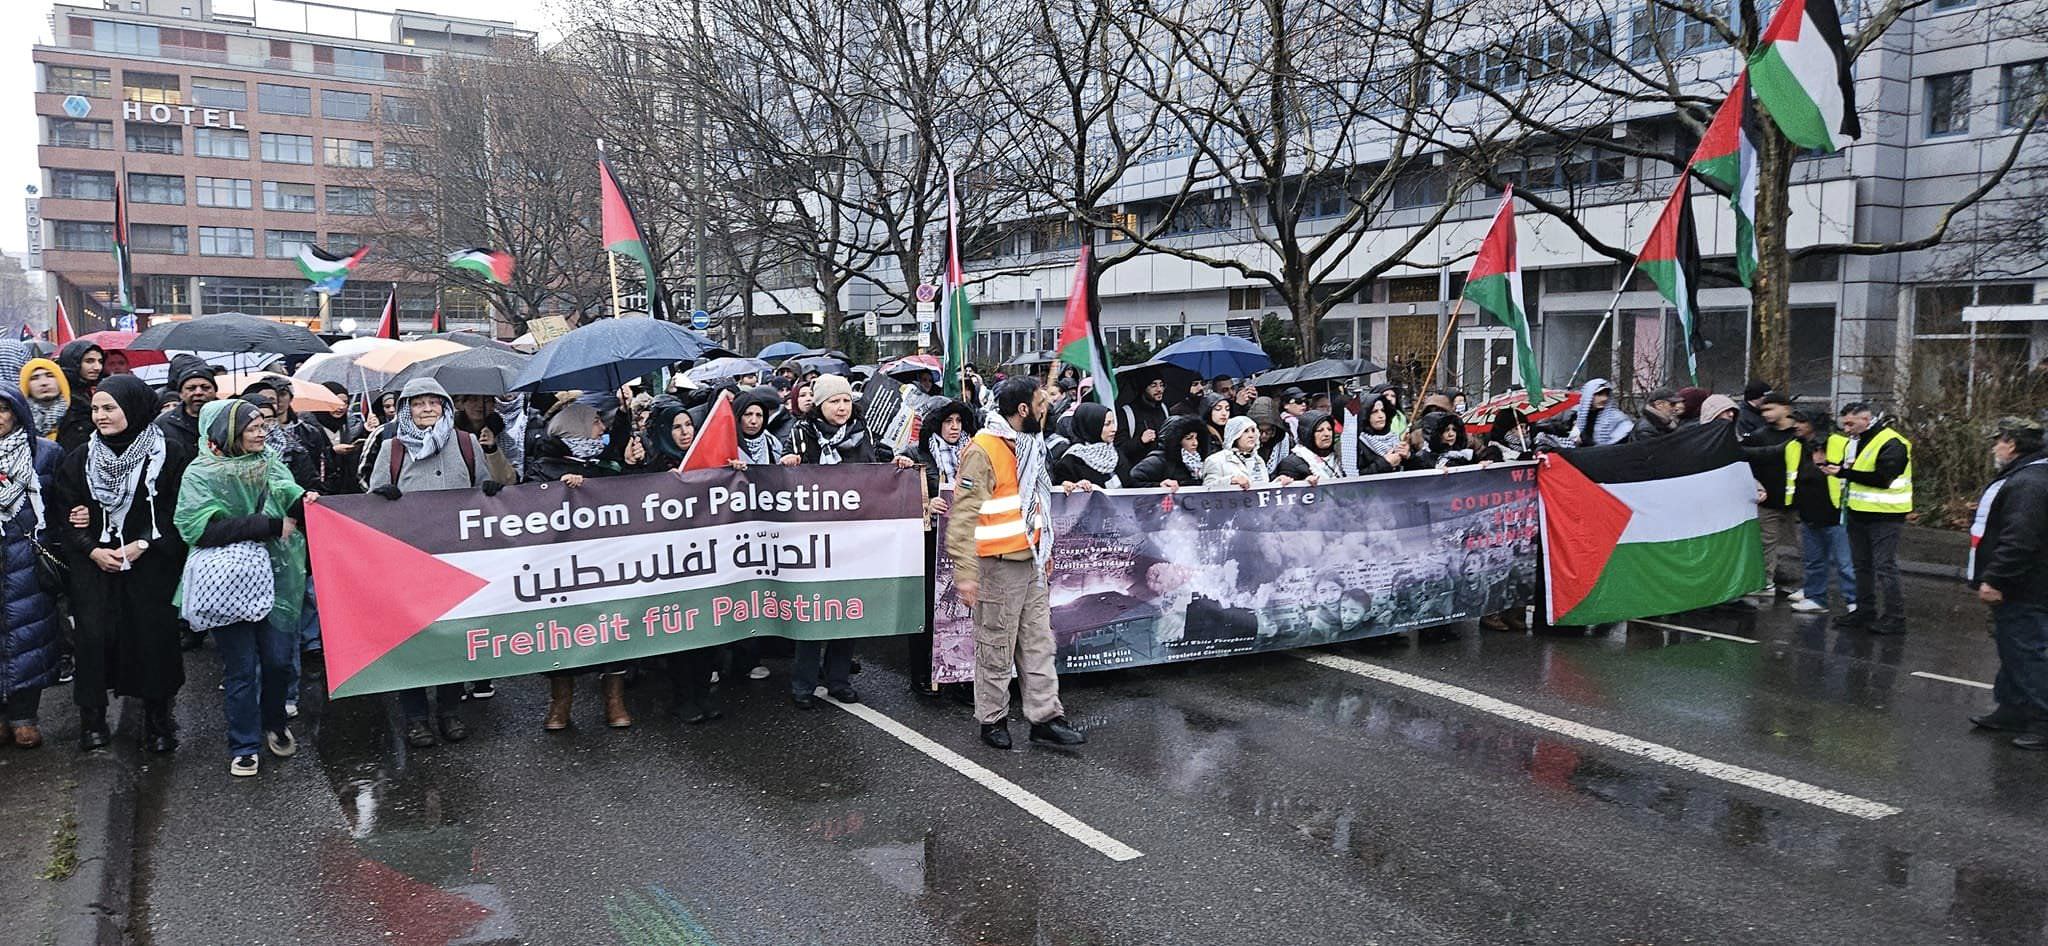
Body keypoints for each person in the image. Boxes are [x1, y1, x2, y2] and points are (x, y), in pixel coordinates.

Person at [49, 376, 191, 752]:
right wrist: (92, 548)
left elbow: (182, 511)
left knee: (152, 639)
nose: (100, 416)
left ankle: (159, 720)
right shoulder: (81, 456)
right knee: (93, 639)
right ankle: (92, 717)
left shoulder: (170, 453)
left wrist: (143, 543)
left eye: (109, 408)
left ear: (134, 407)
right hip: (94, 565)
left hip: (150, 564)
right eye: (96, 408)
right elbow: (64, 510)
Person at [944, 377, 1085, 750]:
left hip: (1032, 562)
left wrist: (1046, 549)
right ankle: (992, 720)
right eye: (1041, 402)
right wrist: (966, 573)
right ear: (1023, 409)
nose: (1046, 408)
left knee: (1039, 644)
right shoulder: (984, 449)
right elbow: (964, 516)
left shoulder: (1031, 445)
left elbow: (1035, 504)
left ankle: (1045, 718)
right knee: (995, 646)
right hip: (997, 566)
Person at [173, 398, 311, 776]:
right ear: (228, 432)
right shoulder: (199, 473)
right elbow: (197, 529)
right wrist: (265, 527)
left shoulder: (269, 461)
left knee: (279, 661)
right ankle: (244, 744)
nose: (261, 432)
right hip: (227, 584)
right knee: (241, 668)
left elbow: (288, 493)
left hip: (279, 578)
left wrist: (305, 500)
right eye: (251, 428)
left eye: (262, 426)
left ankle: (275, 723)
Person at [366, 379, 498, 745]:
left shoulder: (467, 444)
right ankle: (415, 718)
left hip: (456, 559)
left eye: (433, 403)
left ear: (444, 407)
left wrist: (490, 490)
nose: (427, 410)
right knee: (412, 639)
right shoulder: (391, 447)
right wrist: (382, 496)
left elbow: (486, 493)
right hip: (408, 561)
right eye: (418, 404)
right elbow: (371, 503)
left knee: (451, 638)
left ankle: (450, 711)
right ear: (407, 409)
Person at [784, 374, 914, 707]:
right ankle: (804, 683)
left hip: (854, 536)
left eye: (845, 401)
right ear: (821, 405)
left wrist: (895, 464)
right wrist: (789, 465)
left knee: (848, 609)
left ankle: (838, 678)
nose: (842, 407)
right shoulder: (802, 432)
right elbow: (782, 481)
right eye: (834, 402)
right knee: (813, 610)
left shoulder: (863, 432)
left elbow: (875, 469)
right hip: (812, 537)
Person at [1969, 417, 2048, 746]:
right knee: (2012, 646)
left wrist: (1996, 578)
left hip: (2023, 585)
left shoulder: (2029, 482)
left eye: (1998, 441)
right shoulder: (2027, 476)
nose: (1994, 447)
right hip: (2025, 582)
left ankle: (2043, 718)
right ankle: (2012, 707)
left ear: (2012, 445)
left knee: (2027, 650)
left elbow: (2020, 539)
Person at [0, 388, 63, 747]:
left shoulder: (44, 453)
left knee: (28, 636)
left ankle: (24, 716)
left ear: (17, 413)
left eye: (3, 410)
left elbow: (60, 504)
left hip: (28, 559)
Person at [1821, 402, 1911, 634]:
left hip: (1886, 514)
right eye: (1844, 424)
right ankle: (1864, 610)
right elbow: (1854, 470)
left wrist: (1842, 472)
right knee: (1861, 565)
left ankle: (1895, 617)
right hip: (1858, 511)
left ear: (1866, 419)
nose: (1847, 429)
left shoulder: (1892, 442)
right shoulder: (1855, 441)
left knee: (1884, 566)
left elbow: (1883, 478)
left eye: (1851, 423)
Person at [1788, 410, 1855, 615]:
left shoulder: (1839, 443)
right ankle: (1816, 597)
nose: (1796, 425)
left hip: (1835, 512)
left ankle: (1855, 602)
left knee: (1845, 563)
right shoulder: (1793, 446)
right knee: (1814, 560)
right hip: (1809, 512)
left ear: (1814, 424)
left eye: (1801, 421)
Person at [1739, 392, 1803, 599]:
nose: (1765, 414)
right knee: (1766, 543)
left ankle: (1811, 587)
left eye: (1770, 409)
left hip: (1800, 501)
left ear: (1786, 408)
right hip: (1769, 499)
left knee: (1806, 546)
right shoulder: (1759, 436)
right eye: (1763, 410)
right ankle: (1765, 582)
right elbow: (1743, 457)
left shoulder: (1801, 432)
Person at [1203, 416, 1295, 489]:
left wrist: (1276, 483)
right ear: (1235, 435)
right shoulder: (1216, 460)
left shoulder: (1258, 460)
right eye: (1245, 431)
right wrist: (1230, 480)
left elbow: (1261, 489)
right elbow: (1206, 490)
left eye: (1253, 430)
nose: (1251, 435)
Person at [1051, 402, 1126, 488]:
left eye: (1113, 423)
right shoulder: (1071, 462)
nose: (1114, 429)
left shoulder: (1116, 454)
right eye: (1107, 424)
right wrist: (1076, 487)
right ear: (1092, 425)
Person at [154, 356, 217, 456]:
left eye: (205, 387)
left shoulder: (229, 418)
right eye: (191, 388)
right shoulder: (163, 423)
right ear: (181, 394)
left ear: (215, 391)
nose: (198, 392)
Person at [1128, 415, 1205, 489]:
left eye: (1196, 438)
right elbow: (1132, 481)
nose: (1195, 443)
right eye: (1189, 438)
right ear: (1176, 440)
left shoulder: (1198, 461)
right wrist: (1159, 486)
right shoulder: (1157, 461)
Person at [53, 341, 105, 451]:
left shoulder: (88, 392)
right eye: (89, 361)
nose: (97, 367)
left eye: (100, 361)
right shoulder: (59, 394)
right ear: (74, 362)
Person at [1273, 410, 1344, 482]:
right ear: (1308, 434)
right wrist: (1305, 484)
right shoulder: (1291, 464)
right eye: (1320, 430)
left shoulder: (1341, 458)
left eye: (1329, 429)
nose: (1327, 434)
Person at [1117, 376, 1169, 467]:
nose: (1159, 389)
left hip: (1164, 469)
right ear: (1143, 388)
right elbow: (1119, 449)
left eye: (1161, 385)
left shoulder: (1164, 408)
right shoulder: (1127, 413)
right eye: (1153, 385)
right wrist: (1140, 441)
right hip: (1138, 471)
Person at [1352, 396, 1412, 474]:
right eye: (1374, 411)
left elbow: (1418, 470)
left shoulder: (1395, 438)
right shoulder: (1357, 444)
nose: (1381, 415)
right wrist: (1385, 463)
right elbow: (1354, 477)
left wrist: (1409, 456)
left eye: (1383, 410)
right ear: (1365, 415)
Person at [19, 357, 72, 443]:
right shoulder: (17, 420)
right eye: (34, 378)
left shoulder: (80, 413)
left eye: (50, 376)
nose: (44, 383)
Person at [1571, 379, 1631, 446]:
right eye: (1599, 394)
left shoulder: (1617, 418)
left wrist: (1585, 440)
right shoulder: (1576, 414)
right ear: (1588, 395)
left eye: (1607, 394)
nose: (1604, 398)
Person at [1410, 411, 1476, 469]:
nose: (1451, 434)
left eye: (1454, 430)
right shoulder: (1421, 459)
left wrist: (1481, 465)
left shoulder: (1464, 455)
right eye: (1446, 430)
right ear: (1435, 434)